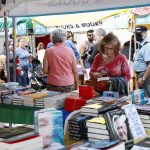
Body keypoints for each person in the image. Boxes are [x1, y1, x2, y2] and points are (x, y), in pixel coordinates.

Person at [43, 29, 78, 93]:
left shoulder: (48, 51)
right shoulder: (70, 51)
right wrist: (77, 86)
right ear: (64, 37)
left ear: (52, 38)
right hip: (68, 84)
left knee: (52, 102)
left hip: (52, 84)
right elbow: (75, 71)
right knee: (67, 102)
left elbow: (45, 71)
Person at [133, 26, 150, 97]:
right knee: (142, 98)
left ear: (145, 34)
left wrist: (143, 78)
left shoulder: (148, 46)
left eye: (139, 34)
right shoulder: (141, 46)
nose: (136, 36)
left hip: (144, 75)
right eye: (136, 34)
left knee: (147, 98)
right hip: (140, 75)